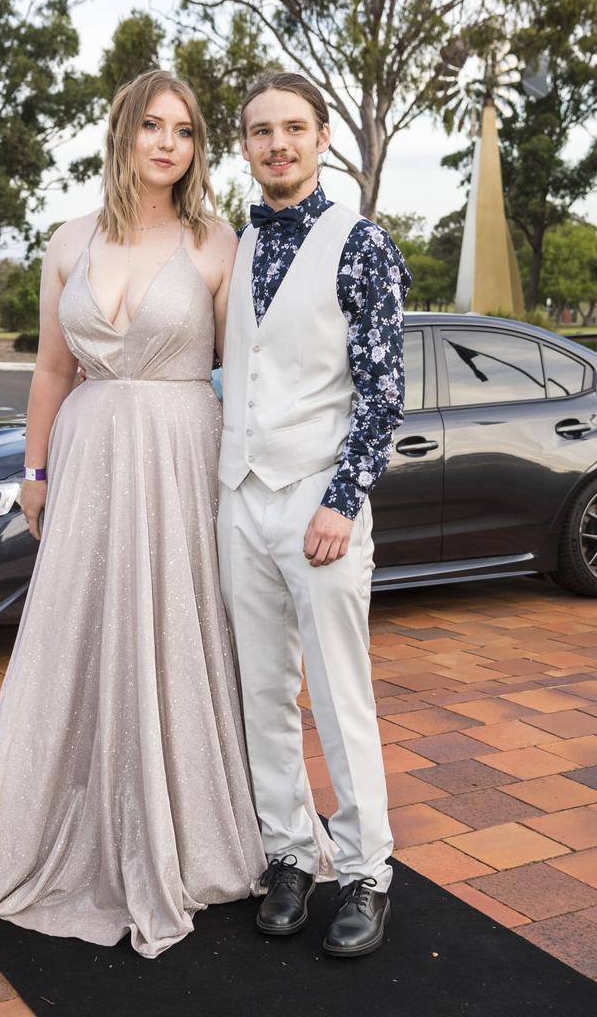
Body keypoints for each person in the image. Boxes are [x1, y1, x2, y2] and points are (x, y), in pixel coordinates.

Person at [0, 70, 334, 959]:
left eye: (183, 130)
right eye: (152, 127)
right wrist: (34, 466)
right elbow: (53, 372)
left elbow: (261, 368)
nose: (168, 143)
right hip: (91, 456)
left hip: (183, 455)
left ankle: (193, 820)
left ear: (196, 147)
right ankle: (71, 812)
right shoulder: (68, 241)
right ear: (124, 136)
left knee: (185, 631)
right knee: (80, 631)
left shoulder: (219, 241)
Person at [217, 71, 412, 957]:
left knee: (340, 694)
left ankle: (368, 870)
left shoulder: (361, 243)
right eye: (261, 132)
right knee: (261, 690)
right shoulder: (236, 245)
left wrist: (342, 501)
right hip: (241, 499)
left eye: (293, 128)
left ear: (323, 136)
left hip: (318, 500)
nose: (277, 144)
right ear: (246, 146)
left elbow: (382, 395)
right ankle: (292, 853)